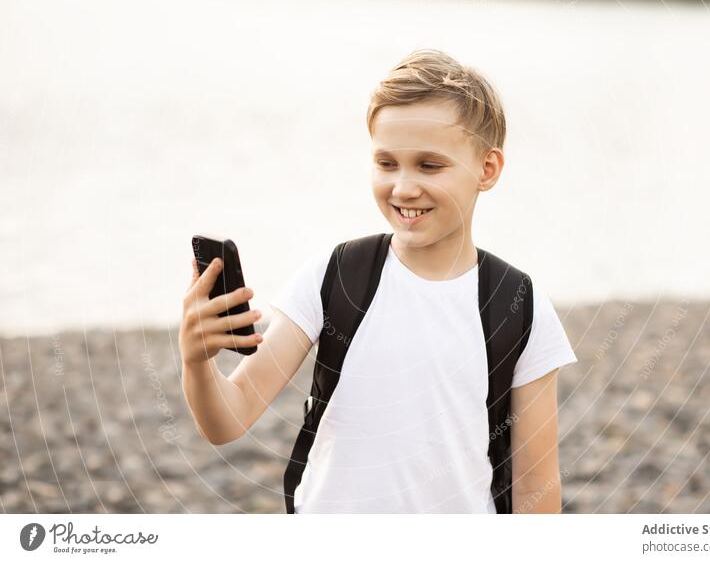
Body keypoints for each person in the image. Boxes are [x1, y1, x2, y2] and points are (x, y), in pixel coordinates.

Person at [179, 49, 578, 514]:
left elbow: (537, 488)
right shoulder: (335, 276)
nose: (403, 187)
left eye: (430, 165)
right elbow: (230, 416)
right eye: (387, 163)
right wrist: (197, 363)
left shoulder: (519, 305)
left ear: (486, 169)